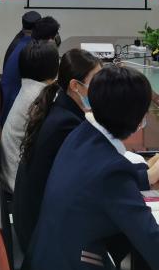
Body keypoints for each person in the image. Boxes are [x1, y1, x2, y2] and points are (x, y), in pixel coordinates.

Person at [24, 66, 159, 270]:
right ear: (138, 120)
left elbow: (94, 179)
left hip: (47, 269)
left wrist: (142, 175)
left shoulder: (81, 133)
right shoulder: (112, 173)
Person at [13, 48, 101, 250]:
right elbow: (92, 176)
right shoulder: (65, 125)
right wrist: (143, 175)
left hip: (36, 220)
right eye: (96, 82)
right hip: (41, 236)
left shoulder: (60, 108)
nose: (102, 88)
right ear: (75, 86)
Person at [1, 41, 59, 191]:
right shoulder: (40, 97)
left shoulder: (29, 87)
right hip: (19, 182)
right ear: (53, 69)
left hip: (13, 172)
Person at [0, 16, 60, 125]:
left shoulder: (27, 44)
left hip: (11, 101)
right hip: (12, 105)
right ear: (50, 39)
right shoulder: (31, 53)